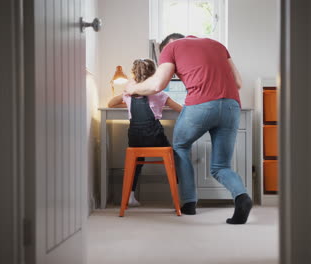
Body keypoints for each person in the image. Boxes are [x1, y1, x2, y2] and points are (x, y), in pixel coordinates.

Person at [125, 34, 252, 224]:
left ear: (166, 45)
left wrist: (133, 89)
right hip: (232, 106)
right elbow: (238, 83)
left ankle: (189, 203)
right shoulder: (217, 44)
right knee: (221, 166)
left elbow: (158, 84)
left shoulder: (171, 48)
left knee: (181, 146)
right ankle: (242, 197)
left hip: (201, 105)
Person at [108, 58, 182, 206]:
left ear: (134, 73)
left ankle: (130, 196)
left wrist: (128, 104)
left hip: (136, 139)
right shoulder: (159, 93)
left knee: (137, 162)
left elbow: (110, 104)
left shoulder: (128, 93)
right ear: (154, 74)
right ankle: (181, 195)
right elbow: (180, 109)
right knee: (176, 158)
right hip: (155, 138)